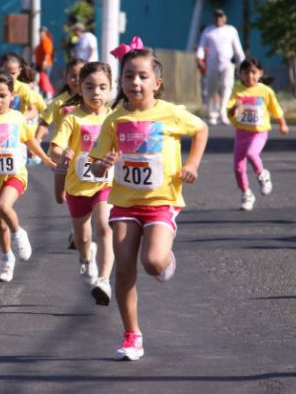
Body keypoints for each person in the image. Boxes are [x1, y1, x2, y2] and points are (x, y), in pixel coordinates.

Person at [88, 42, 209, 361]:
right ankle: (132, 336)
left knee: (153, 262)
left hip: (161, 202)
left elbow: (201, 130)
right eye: (128, 77)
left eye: (142, 76)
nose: (135, 83)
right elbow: (96, 164)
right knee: (124, 270)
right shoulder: (114, 120)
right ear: (121, 82)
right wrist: (105, 162)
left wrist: (192, 165)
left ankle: (166, 261)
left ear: (156, 82)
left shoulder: (170, 113)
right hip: (125, 204)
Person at [0, 71, 56, 282]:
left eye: (2, 95)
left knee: (3, 207)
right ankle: (7, 257)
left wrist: (45, 158)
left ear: (12, 96)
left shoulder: (17, 117)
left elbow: (29, 140)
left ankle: (19, 233)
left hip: (15, 174)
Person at [49, 62, 115, 303]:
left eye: (102, 87)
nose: (96, 92)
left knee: (104, 227)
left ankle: (104, 280)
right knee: (83, 237)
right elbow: (54, 148)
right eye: (89, 87)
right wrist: (63, 154)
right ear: (80, 90)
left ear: (110, 89)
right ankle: (87, 259)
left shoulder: (114, 118)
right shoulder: (72, 118)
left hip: (105, 184)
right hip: (77, 186)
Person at [226, 57, 289, 211]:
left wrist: (282, 123)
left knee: (252, 154)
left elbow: (275, 108)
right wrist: (235, 107)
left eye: (253, 72)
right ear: (240, 74)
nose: (250, 76)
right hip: (241, 133)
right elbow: (229, 112)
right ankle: (247, 193)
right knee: (238, 168)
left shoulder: (265, 91)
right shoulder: (237, 91)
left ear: (260, 73)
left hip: (259, 133)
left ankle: (262, 175)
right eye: (246, 73)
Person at [36, 58, 85, 207]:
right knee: (60, 197)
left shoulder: (89, 100)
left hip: (84, 154)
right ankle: (77, 222)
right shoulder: (59, 102)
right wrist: (37, 139)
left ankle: (78, 226)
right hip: (62, 154)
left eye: (80, 75)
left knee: (82, 193)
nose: (76, 80)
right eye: (72, 76)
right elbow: (44, 123)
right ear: (66, 78)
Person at [196, 9, 245, 126]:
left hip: (227, 64)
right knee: (211, 89)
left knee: (227, 87)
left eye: (221, 17)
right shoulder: (208, 31)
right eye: (216, 17)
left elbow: (237, 48)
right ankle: (212, 114)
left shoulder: (231, 30)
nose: (218, 19)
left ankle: (223, 112)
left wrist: (241, 63)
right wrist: (199, 58)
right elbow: (201, 47)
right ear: (214, 18)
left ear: (224, 18)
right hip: (212, 65)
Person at [34, 26, 55, 100]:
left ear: (45, 33)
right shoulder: (42, 41)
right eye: (40, 31)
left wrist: (44, 62)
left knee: (45, 79)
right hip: (40, 64)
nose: (40, 33)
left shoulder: (46, 40)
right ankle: (43, 95)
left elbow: (47, 53)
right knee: (41, 79)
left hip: (45, 64)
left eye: (42, 32)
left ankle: (48, 95)